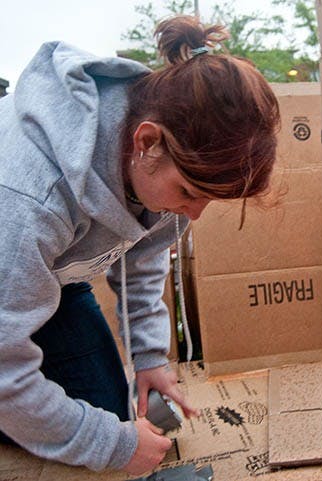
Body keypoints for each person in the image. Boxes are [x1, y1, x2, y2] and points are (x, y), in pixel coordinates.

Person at [0, 15, 280, 475]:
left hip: (56, 273)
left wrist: (150, 358)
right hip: (15, 252)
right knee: (87, 436)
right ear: (145, 141)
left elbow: (145, 259)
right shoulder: (30, 195)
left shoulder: (159, 162)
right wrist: (104, 441)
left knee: (106, 412)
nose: (193, 215)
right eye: (190, 193)